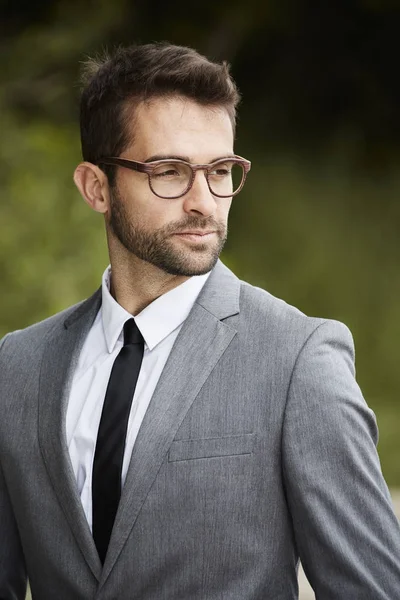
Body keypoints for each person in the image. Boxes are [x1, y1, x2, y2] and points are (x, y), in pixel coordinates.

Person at [0, 42, 399, 600]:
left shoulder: (298, 360)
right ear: (96, 188)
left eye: (220, 171)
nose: (204, 201)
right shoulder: (16, 367)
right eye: (169, 171)